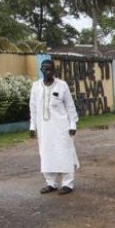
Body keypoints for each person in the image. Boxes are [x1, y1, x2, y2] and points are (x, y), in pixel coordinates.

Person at [29, 59, 80, 195]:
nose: (48, 72)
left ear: (54, 71)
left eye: (50, 69)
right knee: (46, 154)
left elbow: (70, 106)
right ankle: (50, 183)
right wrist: (32, 126)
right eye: (45, 69)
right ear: (41, 70)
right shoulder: (36, 86)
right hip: (44, 128)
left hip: (61, 127)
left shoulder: (62, 85)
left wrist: (72, 124)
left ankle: (68, 184)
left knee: (64, 153)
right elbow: (33, 108)